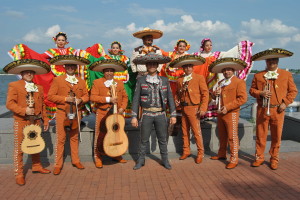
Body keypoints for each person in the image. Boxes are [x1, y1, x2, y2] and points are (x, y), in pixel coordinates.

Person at [4, 59, 51, 186]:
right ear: (22, 73)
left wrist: (45, 119)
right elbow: (9, 104)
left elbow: (42, 106)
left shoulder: (39, 88)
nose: (29, 74)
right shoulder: (14, 85)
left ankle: (36, 165)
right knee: (19, 148)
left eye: (31, 72)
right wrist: (24, 110)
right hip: (21, 120)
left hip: (36, 120)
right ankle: (18, 173)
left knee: (36, 143)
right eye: (26, 72)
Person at [249, 48, 298, 170]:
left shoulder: (286, 74)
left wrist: (285, 103)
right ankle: (259, 157)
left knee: (276, 136)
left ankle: (274, 158)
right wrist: (260, 93)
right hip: (262, 110)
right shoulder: (258, 75)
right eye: (269, 60)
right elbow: (251, 90)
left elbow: (293, 91)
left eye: (274, 59)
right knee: (261, 135)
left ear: (278, 60)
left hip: (278, 110)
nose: (272, 62)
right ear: (266, 61)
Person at [131, 52, 176, 170]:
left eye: (154, 64)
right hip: (146, 113)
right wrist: (134, 116)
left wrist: (173, 114)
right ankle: (141, 160)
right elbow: (135, 99)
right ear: (146, 66)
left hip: (161, 113)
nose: (152, 66)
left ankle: (165, 160)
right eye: (149, 64)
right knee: (143, 139)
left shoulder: (165, 80)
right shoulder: (141, 80)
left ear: (157, 66)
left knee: (162, 138)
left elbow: (170, 98)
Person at [48, 55, 90, 175]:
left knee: (74, 137)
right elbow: (50, 96)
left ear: (76, 67)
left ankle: (75, 160)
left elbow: (86, 96)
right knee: (61, 139)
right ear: (64, 67)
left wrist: (81, 100)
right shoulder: (58, 80)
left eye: (73, 65)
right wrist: (66, 98)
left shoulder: (81, 81)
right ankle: (58, 164)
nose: (71, 67)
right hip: (62, 113)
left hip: (76, 113)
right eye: (68, 65)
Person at [193, 38, 254, 121]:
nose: (209, 47)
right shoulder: (196, 55)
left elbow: (228, 55)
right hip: (201, 78)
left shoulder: (216, 54)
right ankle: (199, 113)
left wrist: (240, 47)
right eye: (207, 45)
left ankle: (208, 114)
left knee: (211, 94)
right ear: (203, 46)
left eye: (210, 45)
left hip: (212, 78)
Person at [209, 58, 248, 169]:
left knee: (232, 137)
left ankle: (234, 158)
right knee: (222, 135)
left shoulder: (239, 82)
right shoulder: (221, 82)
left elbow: (243, 98)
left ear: (233, 70)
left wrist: (228, 107)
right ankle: (221, 154)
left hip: (232, 113)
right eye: (225, 70)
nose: (227, 72)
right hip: (221, 113)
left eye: (229, 69)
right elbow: (214, 96)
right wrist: (214, 94)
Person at [89, 59, 128, 168]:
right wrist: (108, 99)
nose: (109, 73)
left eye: (111, 71)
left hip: (116, 114)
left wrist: (122, 108)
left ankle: (116, 154)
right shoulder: (97, 82)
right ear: (103, 72)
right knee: (100, 135)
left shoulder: (119, 83)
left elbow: (125, 97)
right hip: (103, 113)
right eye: (107, 71)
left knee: (116, 134)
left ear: (114, 72)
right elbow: (92, 97)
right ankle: (98, 157)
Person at [171, 55, 209, 164]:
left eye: (189, 66)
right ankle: (186, 151)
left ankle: (200, 153)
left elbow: (205, 94)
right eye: (185, 66)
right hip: (183, 108)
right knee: (184, 131)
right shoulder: (180, 80)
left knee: (196, 132)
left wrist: (203, 108)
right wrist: (176, 100)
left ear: (193, 67)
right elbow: (177, 94)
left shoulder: (199, 78)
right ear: (183, 68)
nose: (188, 68)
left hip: (194, 107)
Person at [104, 41, 137, 118]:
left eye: (117, 48)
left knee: (121, 99)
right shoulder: (106, 58)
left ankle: (120, 119)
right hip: (109, 83)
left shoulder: (125, 59)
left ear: (120, 49)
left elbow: (131, 67)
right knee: (110, 99)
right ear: (111, 49)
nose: (115, 49)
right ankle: (109, 119)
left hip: (122, 83)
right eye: (113, 48)